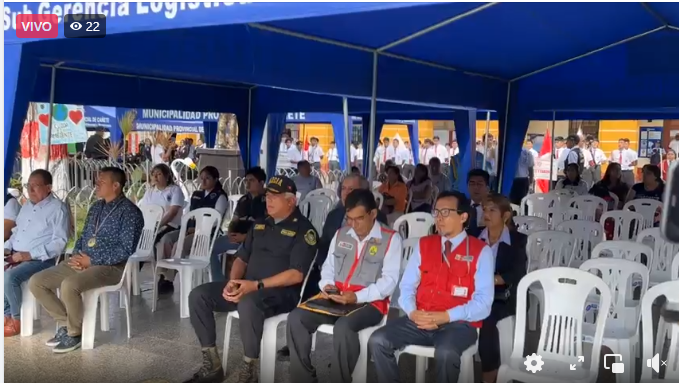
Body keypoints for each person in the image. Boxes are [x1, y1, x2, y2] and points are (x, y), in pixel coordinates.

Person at [183, 176, 317, 383]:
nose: (269, 201)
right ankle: (212, 364)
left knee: (248, 303)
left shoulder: (304, 230)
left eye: (275, 197)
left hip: (282, 293)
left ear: (291, 201)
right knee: (198, 295)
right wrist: (233, 281)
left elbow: (296, 274)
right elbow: (241, 259)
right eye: (268, 196)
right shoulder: (260, 225)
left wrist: (256, 285)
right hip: (249, 287)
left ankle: (249, 369)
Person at [368, 191, 494, 383]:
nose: (439, 218)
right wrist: (412, 312)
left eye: (445, 212)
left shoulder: (480, 251)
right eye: (436, 212)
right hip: (420, 319)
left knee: (446, 353)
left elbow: (484, 303)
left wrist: (446, 316)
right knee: (378, 340)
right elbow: (407, 286)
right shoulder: (425, 244)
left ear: (463, 216)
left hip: (458, 324)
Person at [287, 189, 402, 383]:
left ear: (373, 214)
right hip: (335, 298)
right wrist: (329, 288)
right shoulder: (341, 234)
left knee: (344, 327)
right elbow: (328, 269)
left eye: (359, 219)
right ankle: (303, 377)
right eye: (349, 219)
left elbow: (388, 283)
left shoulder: (391, 239)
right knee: (296, 317)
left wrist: (356, 297)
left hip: (369, 303)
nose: (353, 225)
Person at [29, 167, 144, 353]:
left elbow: (125, 249)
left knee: (69, 285)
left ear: (116, 186)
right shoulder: (97, 207)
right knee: (37, 282)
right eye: (97, 180)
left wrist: (92, 261)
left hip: (111, 266)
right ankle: (67, 325)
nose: (96, 184)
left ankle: (74, 334)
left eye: (101, 181)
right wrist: (76, 256)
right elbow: (83, 237)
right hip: (82, 260)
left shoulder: (131, 213)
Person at [276, 174, 389, 361]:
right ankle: (297, 342)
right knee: (306, 288)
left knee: (347, 321)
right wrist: (322, 270)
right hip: (333, 271)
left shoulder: (376, 219)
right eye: (343, 188)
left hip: (362, 281)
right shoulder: (334, 215)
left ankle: (345, 354)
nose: (346, 193)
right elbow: (324, 245)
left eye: (351, 189)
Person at [4, 170, 70, 337]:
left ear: (48, 188)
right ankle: (5, 314)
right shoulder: (26, 206)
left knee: (10, 277)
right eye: (28, 185)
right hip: (16, 254)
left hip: (41, 260)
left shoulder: (58, 208)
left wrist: (29, 255)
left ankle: (15, 319)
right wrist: (7, 246)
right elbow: (17, 231)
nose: (30, 190)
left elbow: (59, 243)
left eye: (35, 186)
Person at [468, 194, 527, 383]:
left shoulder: (518, 240)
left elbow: (516, 273)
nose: (486, 213)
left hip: (503, 297)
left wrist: (489, 280)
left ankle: (489, 376)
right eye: (484, 209)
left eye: (492, 210)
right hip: (473, 293)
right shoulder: (474, 236)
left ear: (505, 215)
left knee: (487, 320)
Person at [156, 166, 228, 293]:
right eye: (202, 178)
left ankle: (169, 279)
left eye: (207, 178)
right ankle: (163, 273)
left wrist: (197, 229)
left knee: (180, 244)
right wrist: (187, 228)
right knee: (166, 239)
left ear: (215, 179)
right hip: (188, 229)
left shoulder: (220, 196)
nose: (203, 181)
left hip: (206, 234)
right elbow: (187, 213)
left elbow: (215, 220)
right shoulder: (196, 195)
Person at [210, 167, 267, 282]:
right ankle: (219, 282)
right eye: (246, 181)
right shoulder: (243, 200)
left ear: (261, 183)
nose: (247, 183)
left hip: (256, 239)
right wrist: (231, 233)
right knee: (212, 248)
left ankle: (239, 283)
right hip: (237, 236)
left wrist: (246, 238)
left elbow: (268, 227)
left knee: (241, 255)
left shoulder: (268, 200)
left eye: (251, 181)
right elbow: (234, 221)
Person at [138, 164, 185, 256]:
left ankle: (158, 266)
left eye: (159, 174)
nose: (155, 177)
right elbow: (145, 210)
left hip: (169, 225)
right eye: (153, 174)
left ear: (167, 176)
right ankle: (132, 265)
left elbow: (172, 212)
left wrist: (158, 225)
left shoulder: (175, 190)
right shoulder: (150, 192)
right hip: (151, 225)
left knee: (150, 240)